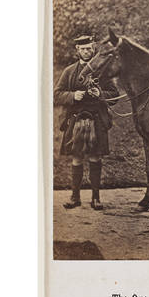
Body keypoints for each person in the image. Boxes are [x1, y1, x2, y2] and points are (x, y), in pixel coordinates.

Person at [54, 35, 119, 210]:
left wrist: (101, 94)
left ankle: (95, 198)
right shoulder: (69, 71)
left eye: (89, 48)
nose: (86, 52)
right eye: (83, 49)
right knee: (77, 158)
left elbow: (115, 96)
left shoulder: (103, 71)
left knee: (95, 156)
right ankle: (75, 197)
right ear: (77, 50)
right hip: (75, 119)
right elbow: (56, 94)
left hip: (96, 118)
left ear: (94, 49)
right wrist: (72, 96)